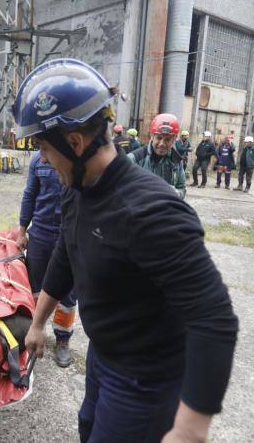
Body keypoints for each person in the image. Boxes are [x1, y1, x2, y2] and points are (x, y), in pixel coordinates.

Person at [14, 58, 238, 443]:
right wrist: (37, 323)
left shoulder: (152, 211)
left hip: (146, 380)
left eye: (43, 148)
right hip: (104, 358)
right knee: (88, 429)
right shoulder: (76, 189)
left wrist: (189, 428)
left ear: (75, 142)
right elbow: (66, 255)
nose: (43, 161)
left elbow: (214, 320)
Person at [17, 151, 77, 367]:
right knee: (34, 288)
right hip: (40, 232)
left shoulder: (72, 160)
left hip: (67, 233)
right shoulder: (36, 160)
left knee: (68, 293)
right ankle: (31, 332)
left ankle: (62, 340)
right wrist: (22, 230)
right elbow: (30, 194)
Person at [128, 113, 187, 199]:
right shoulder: (134, 159)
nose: (162, 144)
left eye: (167, 139)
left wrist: (176, 193)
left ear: (174, 139)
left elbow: (182, 188)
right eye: (159, 138)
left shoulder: (176, 161)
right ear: (152, 136)